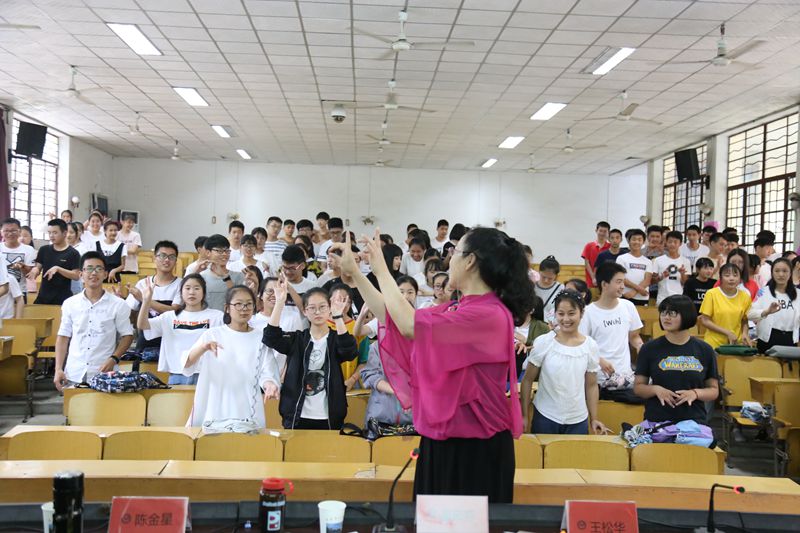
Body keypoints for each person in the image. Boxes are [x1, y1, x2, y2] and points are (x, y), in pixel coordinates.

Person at [341, 227, 532, 503]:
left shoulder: (488, 314)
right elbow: (393, 318)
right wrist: (358, 275)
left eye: (456, 252)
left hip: (476, 449)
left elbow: (408, 325)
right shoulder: (460, 308)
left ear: (470, 261)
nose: (450, 259)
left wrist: (381, 269)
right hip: (444, 439)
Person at [263, 281, 358, 430]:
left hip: (330, 416)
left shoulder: (336, 339)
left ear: (330, 309)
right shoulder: (297, 339)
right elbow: (270, 337)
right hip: (296, 415)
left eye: (322, 307)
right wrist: (279, 303)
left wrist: (338, 317)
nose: (317, 312)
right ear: (305, 311)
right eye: (312, 308)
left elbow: (350, 352)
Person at [183, 285, 281, 428]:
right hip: (215, 403)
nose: (244, 309)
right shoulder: (212, 335)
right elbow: (187, 363)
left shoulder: (260, 338)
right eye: (238, 304)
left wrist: (270, 384)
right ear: (227, 308)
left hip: (247, 404)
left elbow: (267, 370)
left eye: (248, 304)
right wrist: (203, 348)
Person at [520, 290, 608, 435]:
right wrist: (524, 415)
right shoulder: (543, 342)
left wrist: (594, 418)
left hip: (578, 420)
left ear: (581, 313)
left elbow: (591, 385)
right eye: (561, 314)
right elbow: (527, 380)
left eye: (571, 313)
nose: (566, 319)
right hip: (545, 417)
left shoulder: (590, 346)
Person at [53, 252, 134, 391]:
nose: (94, 273)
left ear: (105, 274)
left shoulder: (118, 304)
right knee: (74, 406)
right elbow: (63, 337)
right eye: (89, 268)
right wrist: (58, 369)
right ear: (81, 274)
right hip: (74, 371)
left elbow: (127, 336)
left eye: (99, 269)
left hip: (104, 372)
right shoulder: (70, 303)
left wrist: (114, 358)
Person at [634, 295, 719, 424]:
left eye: (672, 313)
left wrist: (695, 393)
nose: (666, 317)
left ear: (687, 315)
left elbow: (713, 390)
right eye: (663, 313)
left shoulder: (705, 350)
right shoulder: (649, 348)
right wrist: (656, 390)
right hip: (657, 420)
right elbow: (638, 387)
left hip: (694, 421)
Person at [138, 274, 224, 385]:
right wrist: (146, 301)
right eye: (187, 288)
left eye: (196, 288)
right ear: (181, 293)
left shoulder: (217, 316)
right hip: (177, 374)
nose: (192, 292)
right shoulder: (169, 317)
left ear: (204, 292)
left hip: (207, 374)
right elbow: (142, 325)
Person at [579, 262, 644, 404]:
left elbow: (634, 336)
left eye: (623, 282)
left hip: (625, 378)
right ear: (604, 284)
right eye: (618, 282)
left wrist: (640, 346)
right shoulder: (588, 313)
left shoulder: (628, 306)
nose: (623, 286)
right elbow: (582, 346)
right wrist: (599, 360)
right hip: (598, 379)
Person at [360, 282, 418, 430]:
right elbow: (370, 376)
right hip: (381, 415)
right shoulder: (377, 346)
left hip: (414, 417)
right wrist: (397, 391)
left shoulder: (423, 348)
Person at [127, 241, 181, 359]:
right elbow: (128, 310)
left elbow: (174, 311)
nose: (167, 260)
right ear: (154, 258)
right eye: (162, 256)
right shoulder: (143, 284)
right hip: (145, 343)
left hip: (171, 342)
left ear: (176, 261)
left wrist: (144, 299)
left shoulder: (181, 284)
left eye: (171, 257)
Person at [748, 258, 800, 353]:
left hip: (790, 339)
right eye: (777, 271)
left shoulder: (798, 294)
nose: (781, 274)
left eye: (785, 271)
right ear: (772, 273)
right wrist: (766, 312)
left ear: (790, 273)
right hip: (768, 338)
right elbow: (750, 314)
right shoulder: (764, 292)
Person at [699, 263, 753, 349]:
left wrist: (745, 333)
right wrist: (727, 333)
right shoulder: (711, 294)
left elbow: (745, 319)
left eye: (735, 275)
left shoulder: (745, 296)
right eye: (727, 275)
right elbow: (705, 320)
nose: (731, 279)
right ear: (720, 278)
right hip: (714, 344)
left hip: (736, 344)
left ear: (740, 279)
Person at [28, 219, 81, 305]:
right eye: (49, 233)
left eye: (55, 233)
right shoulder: (44, 250)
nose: (51, 236)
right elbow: (38, 267)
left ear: (64, 233)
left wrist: (58, 269)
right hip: (43, 298)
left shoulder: (73, 253)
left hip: (62, 300)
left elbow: (76, 276)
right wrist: (35, 270)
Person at [200, 234, 244, 311]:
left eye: (227, 251)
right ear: (208, 252)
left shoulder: (238, 276)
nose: (224, 254)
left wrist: (225, 276)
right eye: (219, 251)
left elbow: (239, 299)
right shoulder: (202, 277)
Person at [280, 244, 318, 324]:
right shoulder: (277, 285)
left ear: (302, 266)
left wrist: (289, 287)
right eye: (285, 267)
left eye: (292, 268)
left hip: (304, 330)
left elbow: (306, 311)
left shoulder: (312, 287)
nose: (287, 272)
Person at [1, 217, 36, 302]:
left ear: (19, 231)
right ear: (1, 232)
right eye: (6, 231)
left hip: (19, 292)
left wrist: (23, 267)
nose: (10, 234)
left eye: (13, 230)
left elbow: (29, 274)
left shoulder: (29, 250)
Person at [616, 228, 654, 306]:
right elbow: (621, 278)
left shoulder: (648, 261)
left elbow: (647, 280)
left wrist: (634, 292)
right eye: (634, 239)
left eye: (639, 239)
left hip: (642, 297)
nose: (636, 242)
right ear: (629, 241)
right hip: (625, 295)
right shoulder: (621, 258)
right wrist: (639, 289)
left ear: (643, 242)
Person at [653, 231, 691, 305]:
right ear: (666, 242)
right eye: (670, 242)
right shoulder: (658, 260)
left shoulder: (685, 261)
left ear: (680, 243)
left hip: (679, 299)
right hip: (662, 298)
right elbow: (652, 281)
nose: (672, 244)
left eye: (675, 242)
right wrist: (661, 276)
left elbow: (685, 283)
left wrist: (682, 274)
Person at [534, 255, 563, 326]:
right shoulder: (532, 286)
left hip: (551, 325)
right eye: (543, 277)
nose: (546, 280)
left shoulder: (560, 288)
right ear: (539, 272)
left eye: (550, 278)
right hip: (533, 324)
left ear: (556, 276)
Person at [581, 221, 611, 289]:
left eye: (605, 231)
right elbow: (587, 263)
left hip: (607, 282)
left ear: (608, 232)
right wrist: (593, 278)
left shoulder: (610, 246)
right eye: (600, 231)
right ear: (596, 231)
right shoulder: (589, 246)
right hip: (591, 281)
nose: (602, 233)